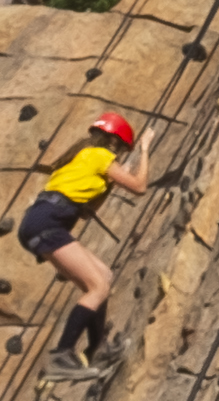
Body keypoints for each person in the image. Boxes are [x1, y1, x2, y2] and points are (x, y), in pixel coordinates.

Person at [23, 113, 148, 353]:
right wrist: (144, 150)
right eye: (121, 149)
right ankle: (62, 355)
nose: (119, 156)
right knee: (98, 287)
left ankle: (96, 348)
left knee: (104, 275)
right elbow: (140, 187)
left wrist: (111, 182)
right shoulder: (101, 156)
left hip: (42, 219)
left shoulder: (80, 158)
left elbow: (86, 212)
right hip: (47, 222)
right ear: (114, 143)